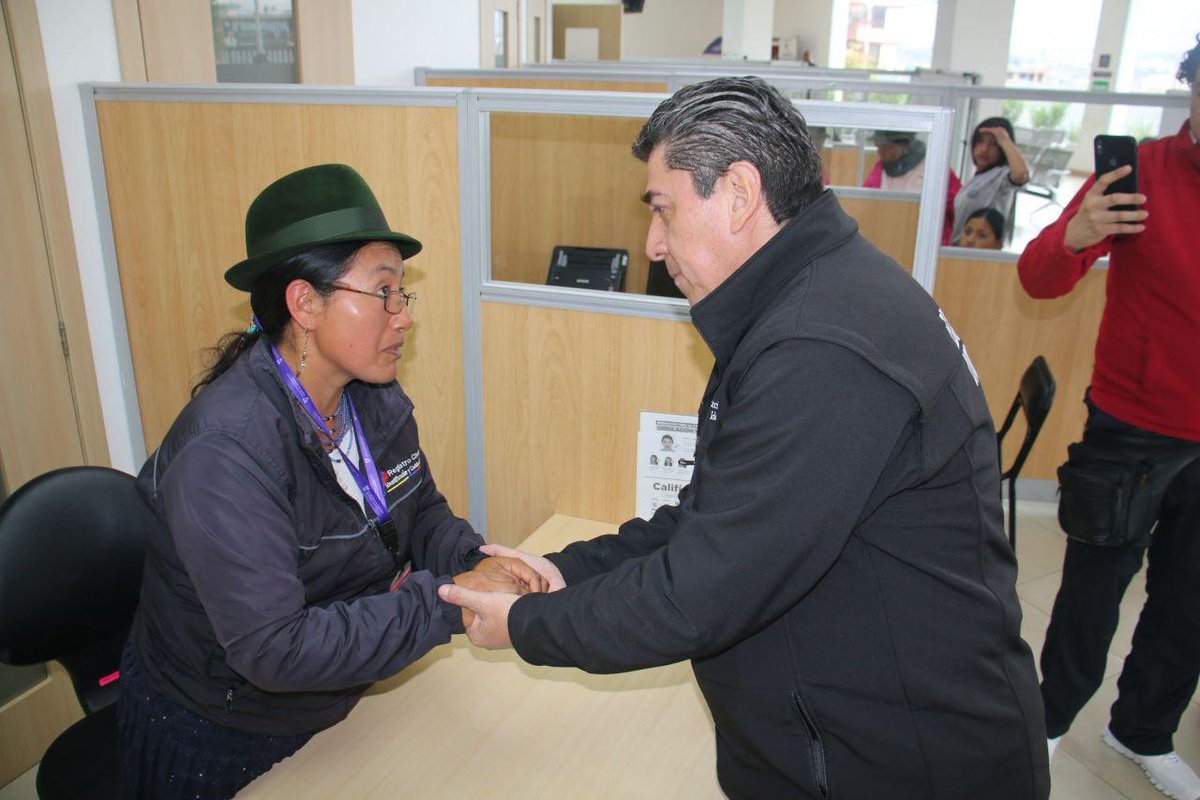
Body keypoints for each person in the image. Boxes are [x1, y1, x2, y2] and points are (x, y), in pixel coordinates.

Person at [443, 76, 1050, 799]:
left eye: (663, 210)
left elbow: (700, 592)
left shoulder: (822, 348)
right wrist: (562, 572)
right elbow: (713, 519)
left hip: (903, 763)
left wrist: (530, 623)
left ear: (738, 192)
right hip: (845, 733)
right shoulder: (812, 298)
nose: (653, 243)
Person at [117, 163, 546, 799]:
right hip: (227, 733)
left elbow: (418, 510)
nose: (402, 317)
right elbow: (275, 649)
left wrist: (475, 563)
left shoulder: (369, 394)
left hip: (339, 700)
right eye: (383, 292)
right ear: (305, 303)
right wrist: (448, 600)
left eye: (402, 294)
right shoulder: (226, 453)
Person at [1018, 34, 1200, 800]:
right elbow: (1038, 278)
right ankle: (1046, 723)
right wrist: (1076, 235)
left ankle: (1143, 732)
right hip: (1131, 427)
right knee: (1092, 595)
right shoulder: (1140, 172)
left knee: (1188, 604)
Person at [864, 130, 962, 244]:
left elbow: (956, 207)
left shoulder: (936, 169)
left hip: (925, 240)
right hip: (888, 236)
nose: (879, 152)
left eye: (883, 147)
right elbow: (868, 202)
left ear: (900, 145)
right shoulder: (881, 168)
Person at [951, 116, 1030, 246]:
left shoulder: (1001, 175)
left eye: (993, 144)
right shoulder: (978, 177)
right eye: (981, 141)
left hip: (979, 251)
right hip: (960, 247)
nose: (984, 149)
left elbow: (1021, 174)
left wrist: (1004, 139)